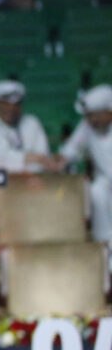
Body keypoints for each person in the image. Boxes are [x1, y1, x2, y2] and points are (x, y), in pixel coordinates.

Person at [57, 84, 112, 246]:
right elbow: (70, 151)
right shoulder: (87, 127)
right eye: (89, 116)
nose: (92, 120)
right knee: (97, 191)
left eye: (97, 115)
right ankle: (104, 245)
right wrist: (57, 162)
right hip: (105, 184)